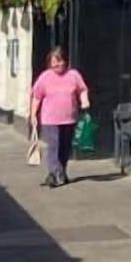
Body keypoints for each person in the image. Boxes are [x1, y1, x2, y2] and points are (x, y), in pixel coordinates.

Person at [29, 47, 90, 189]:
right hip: (50, 119)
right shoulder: (45, 77)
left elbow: (82, 89)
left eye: (59, 61)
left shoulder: (73, 75)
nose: (56, 65)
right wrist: (33, 114)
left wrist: (84, 100)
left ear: (65, 61)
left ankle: (59, 173)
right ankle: (54, 174)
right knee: (54, 146)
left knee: (65, 148)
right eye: (53, 62)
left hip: (69, 118)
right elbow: (37, 97)